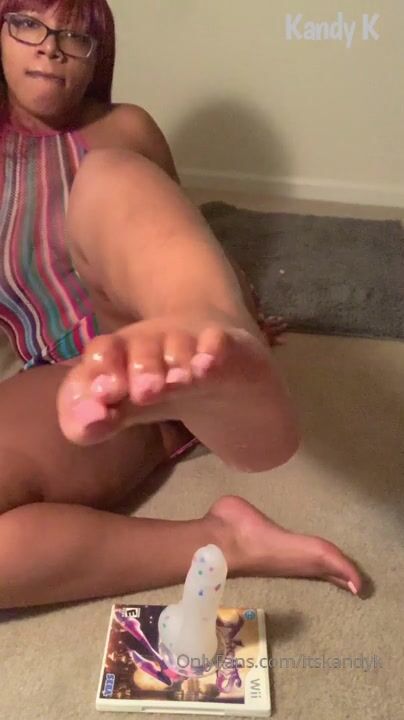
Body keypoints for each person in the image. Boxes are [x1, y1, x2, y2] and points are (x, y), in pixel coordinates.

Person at [0, 0, 361, 609]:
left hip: (140, 335)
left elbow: (172, 229)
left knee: (107, 179)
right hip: (67, 378)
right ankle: (225, 541)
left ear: (97, 59)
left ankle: (206, 334)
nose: (50, 47)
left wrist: (229, 310)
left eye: (75, 36)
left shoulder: (125, 127)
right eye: (27, 23)